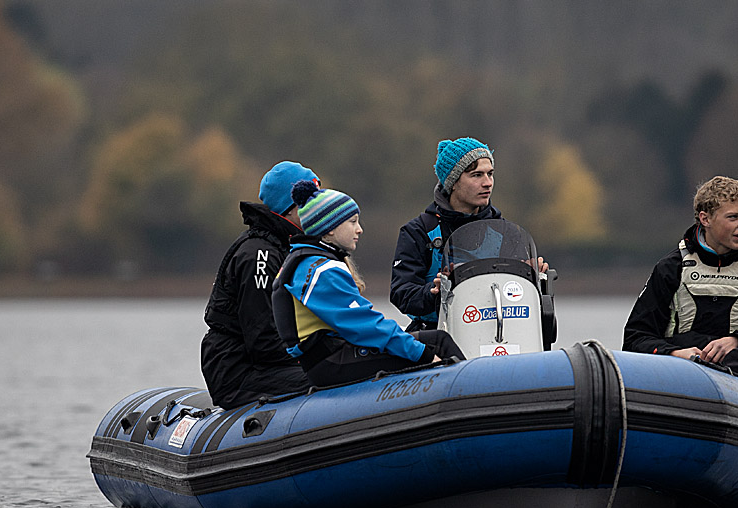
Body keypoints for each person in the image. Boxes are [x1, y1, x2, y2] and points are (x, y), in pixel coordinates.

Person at [273, 181, 465, 389]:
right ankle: (469, 393)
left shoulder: (307, 262)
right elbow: (366, 326)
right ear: (329, 229)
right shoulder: (322, 270)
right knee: (438, 344)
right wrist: (424, 355)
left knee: (437, 338)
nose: (360, 230)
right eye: (352, 222)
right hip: (332, 363)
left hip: (327, 358)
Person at [622, 175, 738, 387]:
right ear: (705, 219)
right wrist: (675, 353)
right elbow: (635, 339)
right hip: (679, 373)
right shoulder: (671, 268)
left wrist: (737, 341)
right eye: (733, 217)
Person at [390, 136, 547, 331]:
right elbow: (401, 294)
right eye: (477, 175)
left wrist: (531, 277)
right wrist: (434, 291)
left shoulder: (507, 232)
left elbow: (518, 298)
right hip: (436, 333)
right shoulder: (418, 231)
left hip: (495, 332)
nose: (487, 183)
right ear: (453, 182)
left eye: (490, 174)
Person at [201, 161, 320, 409]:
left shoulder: (290, 247)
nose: (320, 208)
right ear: (291, 207)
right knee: (329, 377)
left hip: (268, 364)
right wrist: (315, 360)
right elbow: (264, 340)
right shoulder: (259, 256)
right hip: (239, 371)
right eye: (313, 200)